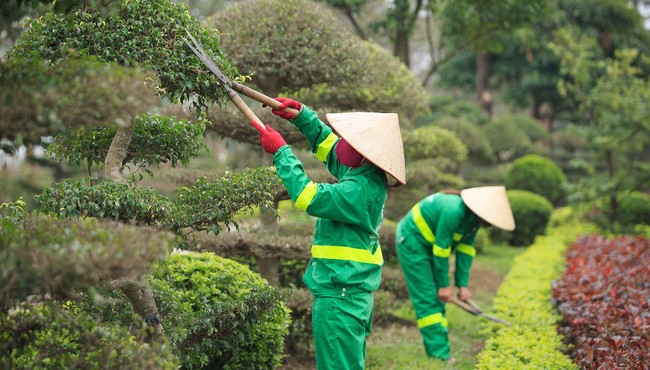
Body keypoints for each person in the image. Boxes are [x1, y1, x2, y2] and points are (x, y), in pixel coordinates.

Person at [255, 97, 406, 370]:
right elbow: (329, 147)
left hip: (341, 297)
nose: (341, 144)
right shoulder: (364, 171)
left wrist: (281, 152)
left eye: (348, 140)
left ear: (363, 152)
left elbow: (306, 196)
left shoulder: (357, 190)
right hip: (348, 294)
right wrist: (302, 116)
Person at [395, 186, 515, 361]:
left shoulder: (473, 220)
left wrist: (462, 285)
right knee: (428, 299)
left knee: (438, 299)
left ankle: (439, 350)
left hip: (431, 246)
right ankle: (440, 356)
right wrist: (444, 285)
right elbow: (442, 249)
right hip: (412, 242)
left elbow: (465, 251)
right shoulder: (453, 210)